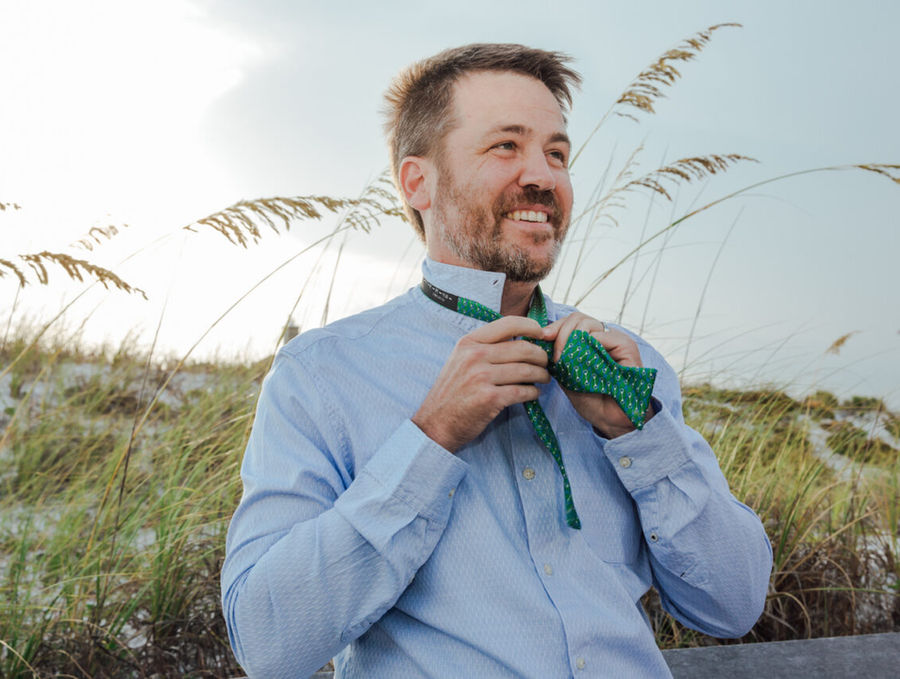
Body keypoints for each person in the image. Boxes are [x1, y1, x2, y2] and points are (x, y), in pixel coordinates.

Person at [221, 43, 772, 678]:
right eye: (506, 146)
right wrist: (431, 437)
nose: (543, 177)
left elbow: (733, 605)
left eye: (557, 154)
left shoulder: (627, 367)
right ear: (417, 182)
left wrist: (640, 433)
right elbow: (267, 643)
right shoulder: (320, 374)